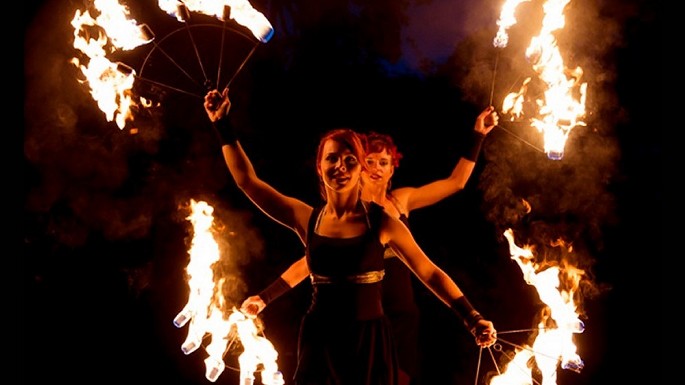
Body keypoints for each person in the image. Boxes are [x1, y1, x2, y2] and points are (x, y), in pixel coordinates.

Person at [204, 88, 497, 385]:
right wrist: (221, 125)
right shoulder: (307, 219)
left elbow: (430, 273)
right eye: (332, 159)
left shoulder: (383, 222)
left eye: (350, 160)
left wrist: (472, 318)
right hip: (319, 339)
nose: (340, 167)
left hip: (369, 341)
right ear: (320, 167)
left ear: (360, 170)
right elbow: (247, 181)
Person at [360, 107, 497, 385]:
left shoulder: (401, 200)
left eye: (383, 162)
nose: (376, 168)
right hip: (360, 313)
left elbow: (456, 183)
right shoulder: (344, 210)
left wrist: (477, 135)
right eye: (370, 161)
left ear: (392, 169)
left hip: (401, 313)